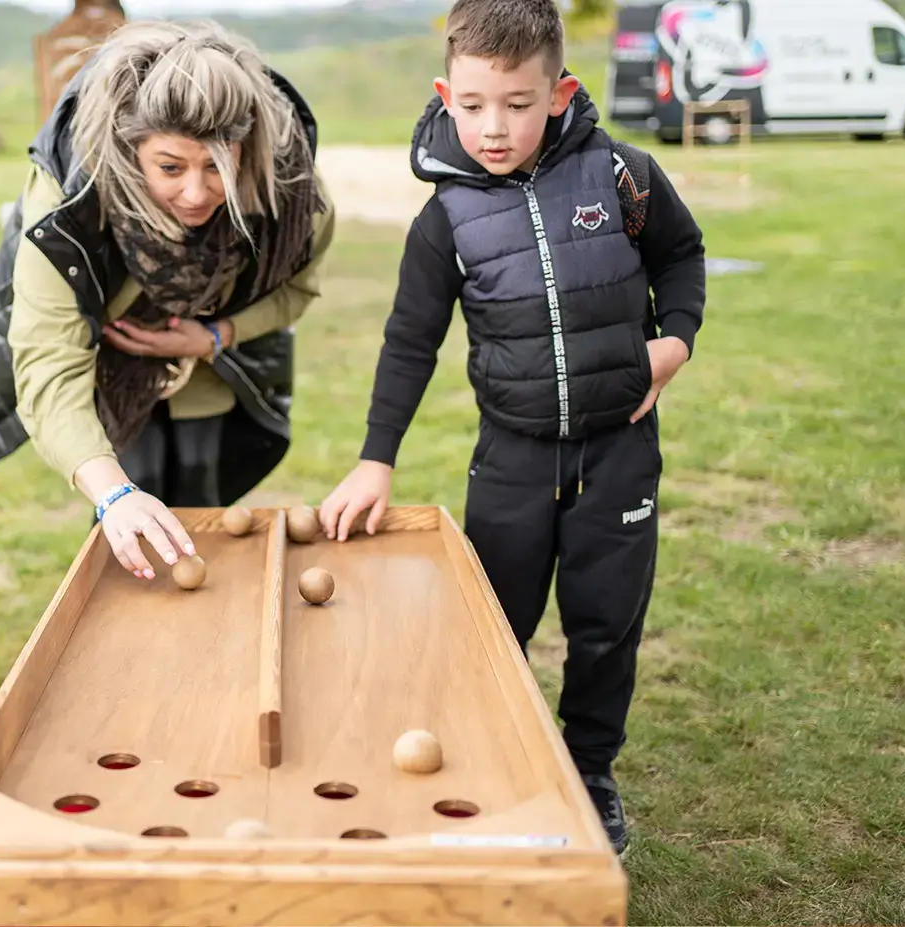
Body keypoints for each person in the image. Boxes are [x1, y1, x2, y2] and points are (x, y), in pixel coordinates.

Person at [318, 0, 706, 856]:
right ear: (444, 94)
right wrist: (374, 459)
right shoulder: (445, 219)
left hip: (618, 453)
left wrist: (673, 339)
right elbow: (408, 342)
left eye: (518, 104)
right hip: (511, 459)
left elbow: (681, 253)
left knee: (606, 625)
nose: (494, 128)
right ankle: (493, 768)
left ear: (559, 92)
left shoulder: (622, 176)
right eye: (473, 105)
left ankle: (589, 771)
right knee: (494, 624)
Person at [0, 20, 336, 579]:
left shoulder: (292, 190)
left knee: (201, 506)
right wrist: (113, 495)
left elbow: (297, 291)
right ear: (127, 147)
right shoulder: (66, 197)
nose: (195, 192)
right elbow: (48, 360)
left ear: (247, 147)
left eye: (217, 165)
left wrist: (215, 336)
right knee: (128, 522)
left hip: (207, 375)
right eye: (170, 166)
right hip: (106, 374)